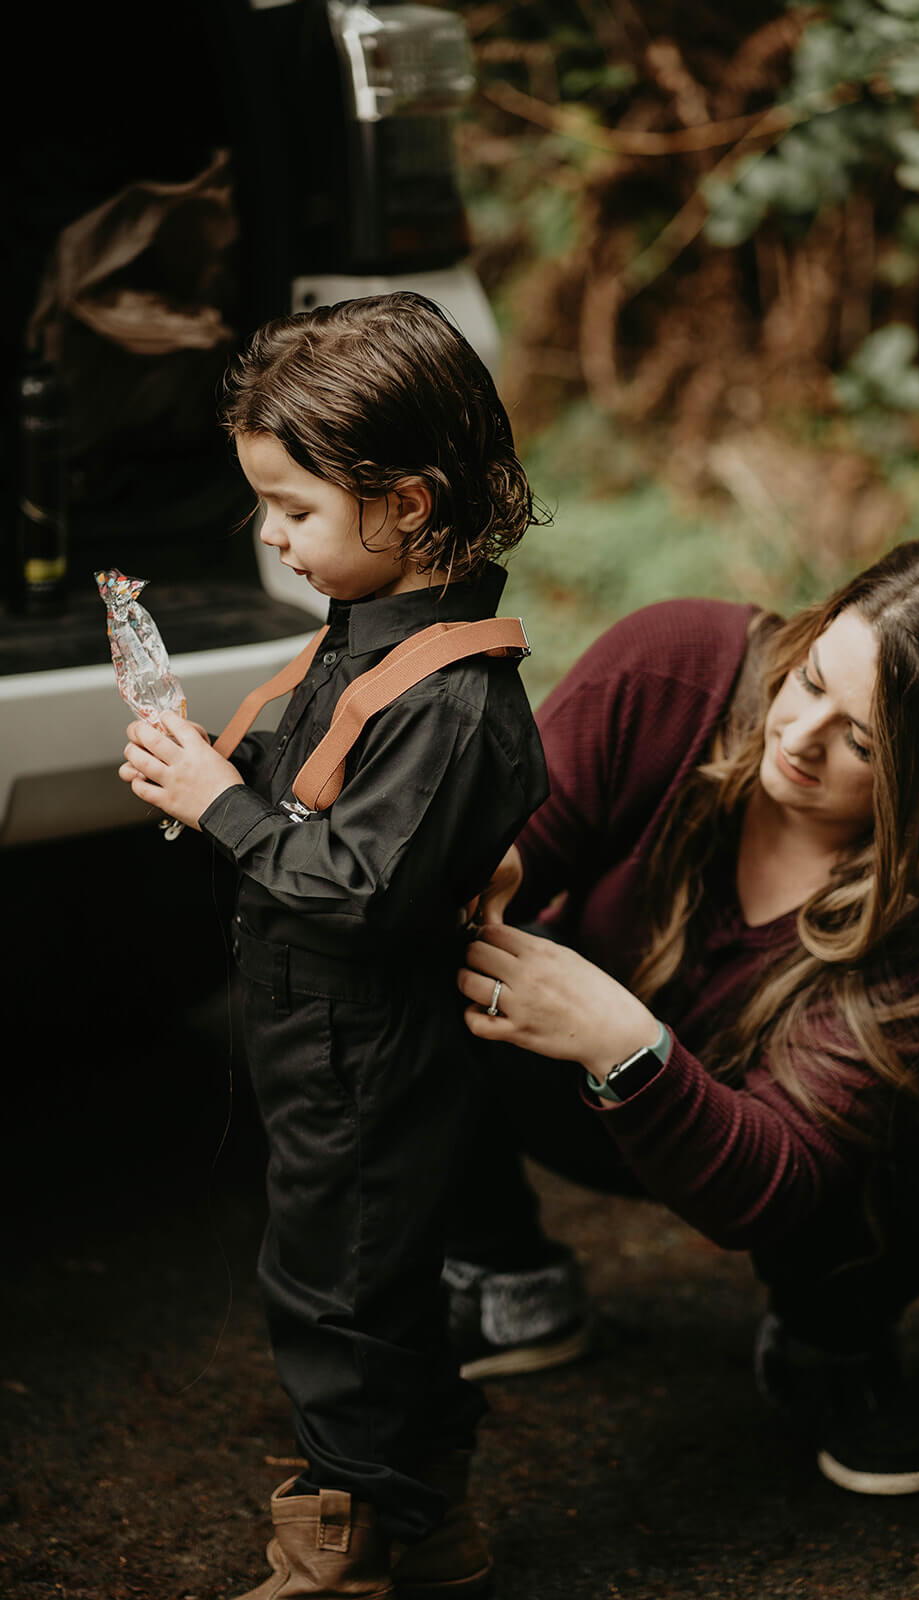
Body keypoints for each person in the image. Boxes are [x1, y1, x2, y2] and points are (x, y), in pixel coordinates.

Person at [453, 533, 919, 1500]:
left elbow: (764, 1187)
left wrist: (618, 1038)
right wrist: (483, 862)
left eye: (862, 742)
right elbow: (517, 835)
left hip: (791, 1178)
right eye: (813, 676)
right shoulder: (677, 670)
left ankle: (830, 1342)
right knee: (409, 963)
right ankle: (507, 1280)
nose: (799, 734)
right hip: (573, 1097)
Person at [119, 292, 549, 1599]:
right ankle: (430, 1522)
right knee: (368, 1287)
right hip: (324, 1056)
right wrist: (214, 760)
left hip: (370, 1066)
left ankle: (344, 1547)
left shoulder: (455, 701)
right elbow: (324, 774)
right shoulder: (373, 639)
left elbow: (360, 886)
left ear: (405, 504)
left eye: (293, 509)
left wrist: (222, 806)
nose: (269, 535)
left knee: (339, 1300)